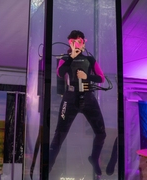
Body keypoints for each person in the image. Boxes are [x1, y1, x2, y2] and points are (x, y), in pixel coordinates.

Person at [49, 30, 106, 176]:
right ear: (70, 42)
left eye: (79, 41)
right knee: (59, 134)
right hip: (71, 96)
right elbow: (60, 73)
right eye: (73, 42)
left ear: (83, 42)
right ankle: (48, 165)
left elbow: (101, 78)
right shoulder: (65, 58)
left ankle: (94, 158)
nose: (76, 44)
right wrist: (70, 58)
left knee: (101, 132)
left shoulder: (90, 60)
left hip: (87, 96)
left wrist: (87, 77)